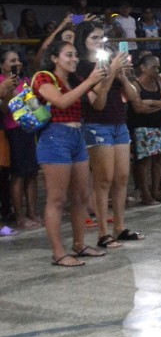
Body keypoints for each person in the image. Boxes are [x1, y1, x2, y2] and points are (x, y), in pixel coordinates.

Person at [32, 40, 109, 266]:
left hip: (77, 137)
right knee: (57, 199)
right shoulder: (44, 77)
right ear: (55, 58)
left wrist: (108, 77)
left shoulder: (75, 79)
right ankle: (58, 253)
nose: (74, 59)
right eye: (69, 55)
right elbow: (61, 101)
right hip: (55, 138)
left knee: (81, 197)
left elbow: (98, 103)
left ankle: (79, 244)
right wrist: (91, 82)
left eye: (76, 55)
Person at [77, 21, 141, 248]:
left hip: (119, 123)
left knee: (122, 177)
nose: (98, 42)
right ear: (83, 41)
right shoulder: (84, 67)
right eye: (93, 38)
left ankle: (120, 227)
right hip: (97, 125)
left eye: (101, 38)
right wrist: (111, 72)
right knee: (103, 180)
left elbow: (133, 97)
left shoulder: (109, 63)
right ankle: (103, 232)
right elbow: (98, 103)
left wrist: (122, 76)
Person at [129, 54, 161, 204]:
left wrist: (150, 102)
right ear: (143, 68)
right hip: (143, 126)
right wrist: (160, 104)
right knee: (145, 162)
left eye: (157, 66)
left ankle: (156, 190)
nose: (157, 70)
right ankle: (145, 193)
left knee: (159, 160)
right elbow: (138, 108)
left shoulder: (158, 81)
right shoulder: (136, 85)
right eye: (153, 67)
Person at [2, 49, 40, 229]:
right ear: (2, 65)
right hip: (13, 130)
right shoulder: (2, 82)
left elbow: (34, 105)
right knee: (18, 173)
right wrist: (10, 87)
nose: (16, 63)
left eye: (18, 59)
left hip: (30, 128)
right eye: (11, 61)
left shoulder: (25, 81)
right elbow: (5, 110)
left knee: (32, 172)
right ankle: (20, 216)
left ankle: (32, 211)